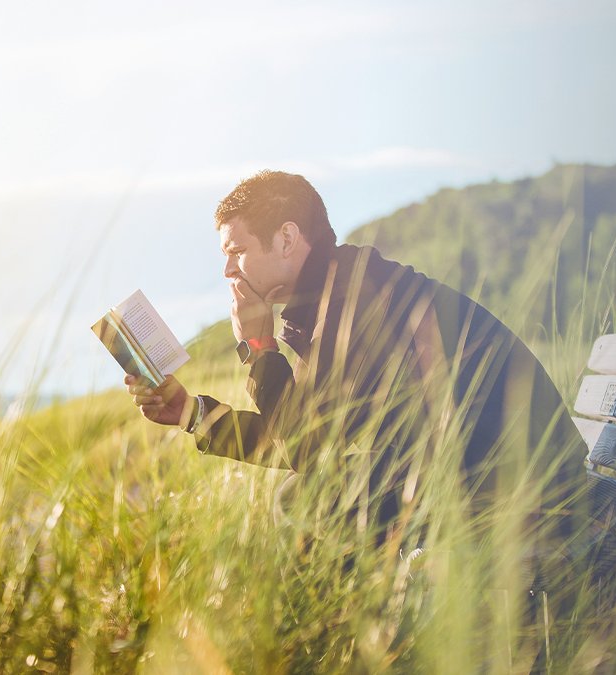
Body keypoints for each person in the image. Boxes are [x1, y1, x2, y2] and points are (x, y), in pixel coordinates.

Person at [124, 170, 584, 581]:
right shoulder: (333, 296)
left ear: (287, 239)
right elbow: (308, 440)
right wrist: (189, 412)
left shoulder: (356, 303)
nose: (226, 270)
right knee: (307, 492)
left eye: (237, 251)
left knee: (304, 498)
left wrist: (260, 349)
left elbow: (307, 449)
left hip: (528, 504)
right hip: (487, 485)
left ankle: (358, 648)